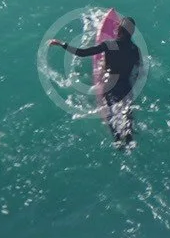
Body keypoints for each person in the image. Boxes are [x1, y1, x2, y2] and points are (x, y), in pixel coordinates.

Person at [48, 16, 143, 148]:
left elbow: (82, 53)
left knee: (110, 115)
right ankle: (129, 139)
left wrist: (61, 44)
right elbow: (138, 69)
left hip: (110, 86)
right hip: (126, 87)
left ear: (119, 30)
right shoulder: (135, 49)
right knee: (127, 116)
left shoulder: (110, 45)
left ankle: (117, 140)